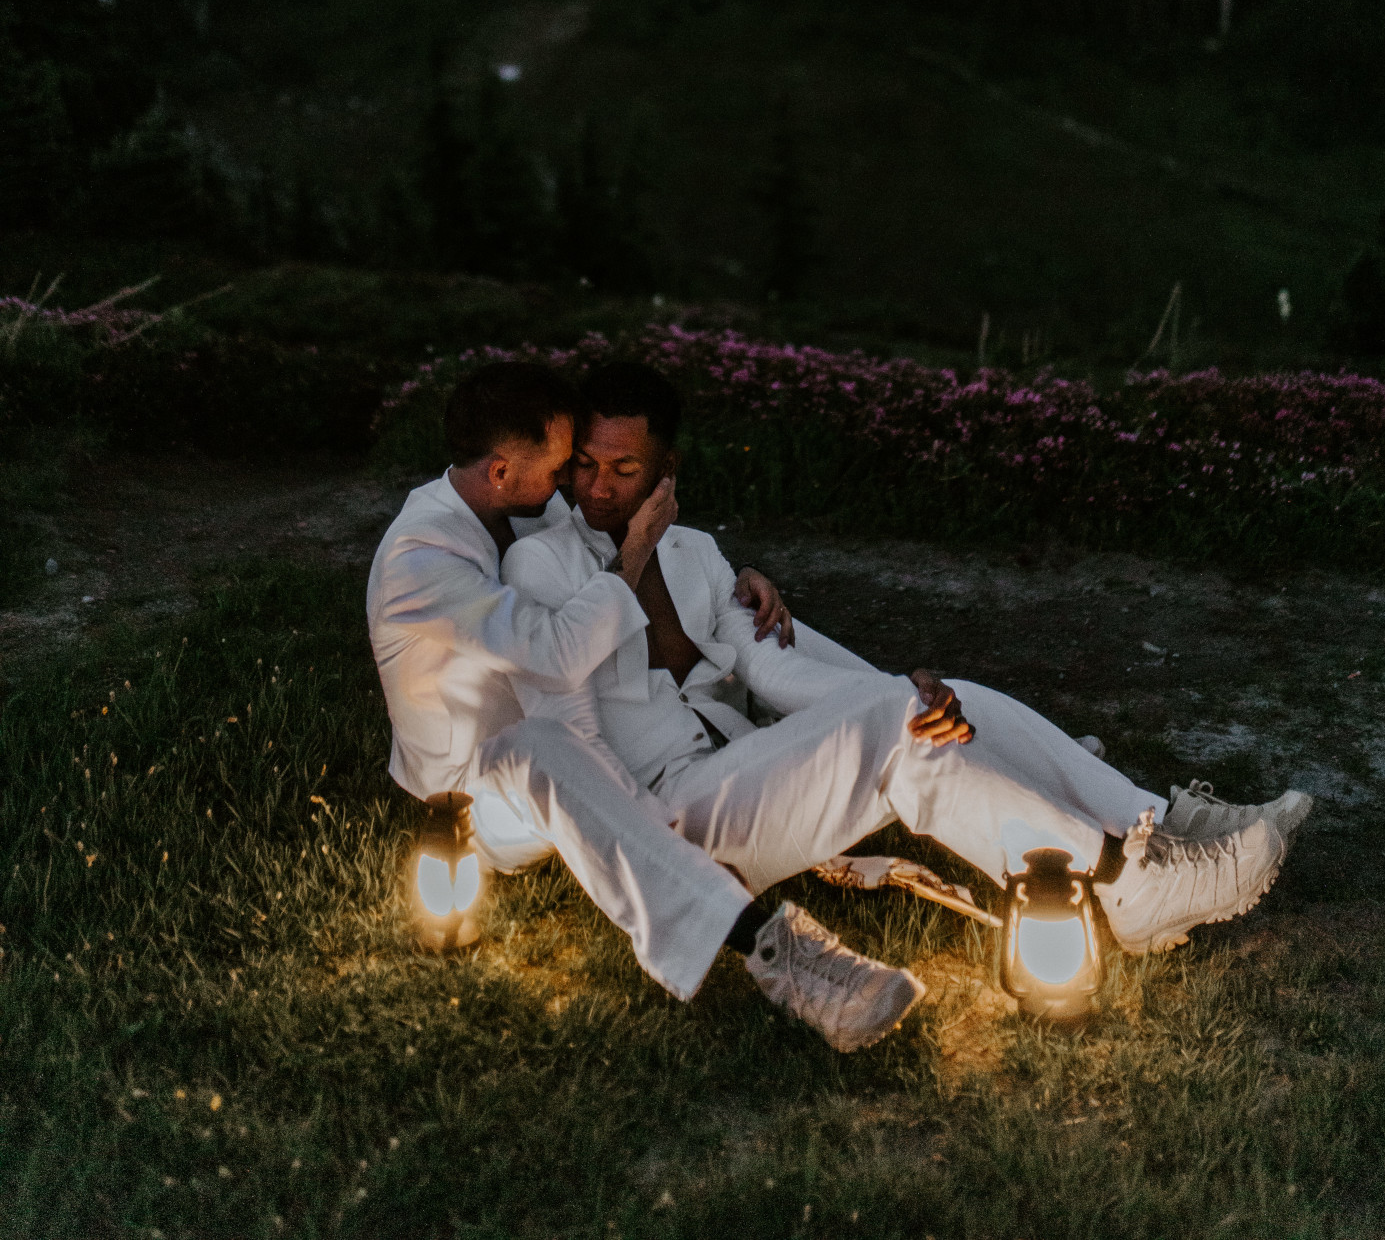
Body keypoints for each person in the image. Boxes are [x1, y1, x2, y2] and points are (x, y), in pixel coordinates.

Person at [500, 361, 1313, 957]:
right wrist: (631, 553)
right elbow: (565, 714)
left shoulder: (697, 555)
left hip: (742, 772)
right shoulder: (542, 568)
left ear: (667, 474)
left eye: (624, 470)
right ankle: (1127, 886)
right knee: (912, 751)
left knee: (939, 706)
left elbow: (775, 671)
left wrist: (895, 696)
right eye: (586, 467)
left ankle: (1159, 824)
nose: (597, 488)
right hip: (664, 820)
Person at [367, 360, 926, 1052]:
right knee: (535, 746)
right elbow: (560, 652)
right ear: (504, 472)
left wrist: (737, 579)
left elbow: (605, 549)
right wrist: (632, 554)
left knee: (755, 631)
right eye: (564, 466)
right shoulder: (420, 559)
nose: (575, 485)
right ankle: (774, 950)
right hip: (474, 800)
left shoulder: (507, 499)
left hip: (569, 760)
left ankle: (931, 716)